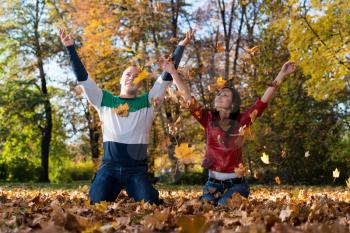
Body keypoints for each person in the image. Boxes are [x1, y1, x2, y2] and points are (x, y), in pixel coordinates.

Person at [59, 28, 194, 204]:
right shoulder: (104, 99)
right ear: (121, 80)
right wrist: (70, 48)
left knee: (150, 204)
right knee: (95, 202)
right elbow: (83, 78)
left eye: (136, 76)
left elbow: (166, 76)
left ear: (140, 82)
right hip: (109, 168)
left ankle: (142, 189)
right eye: (128, 74)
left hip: (136, 170)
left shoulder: (148, 101)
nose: (132, 77)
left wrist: (181, 46)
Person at [160, 59, 296, 205]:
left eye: (225, 95)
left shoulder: (242, 121)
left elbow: (262, 102)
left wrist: (282, 74)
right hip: (212, 184)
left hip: (237, 185)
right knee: (206, 205)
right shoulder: (208, 119)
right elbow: (187, 97)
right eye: (218, 94)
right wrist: (173, 72)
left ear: (233, 104)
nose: (219, 96)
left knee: (224, 204)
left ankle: (229, 199)